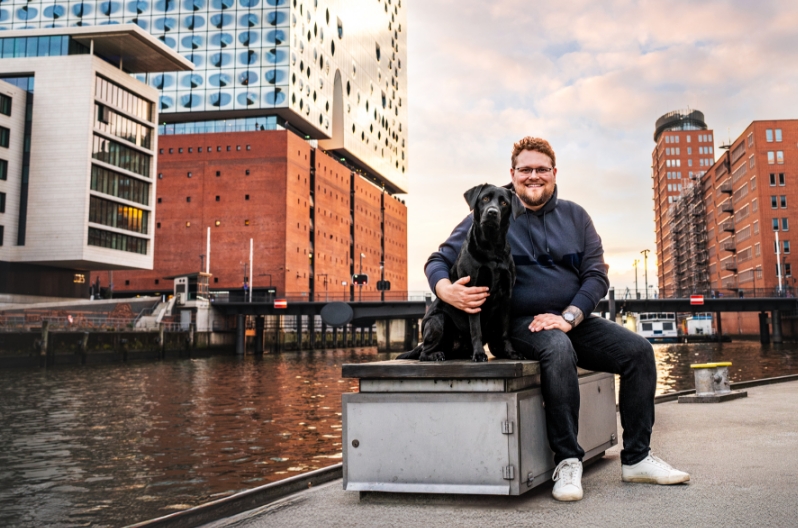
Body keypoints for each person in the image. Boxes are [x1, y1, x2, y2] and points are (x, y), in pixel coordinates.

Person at [425, 136, 689, 502]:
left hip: (570, 319)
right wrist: (445, 289)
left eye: (541, 169)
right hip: (517, 325)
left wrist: (569, 316)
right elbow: (438, 258)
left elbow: (596, 275)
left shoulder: (576, 216)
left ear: (553, 173)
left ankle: (637, 458)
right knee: (557, 348)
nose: (534, 176)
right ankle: (567, 460)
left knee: (639, 351)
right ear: (513, 174)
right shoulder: (493, 207)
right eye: (525, 170)